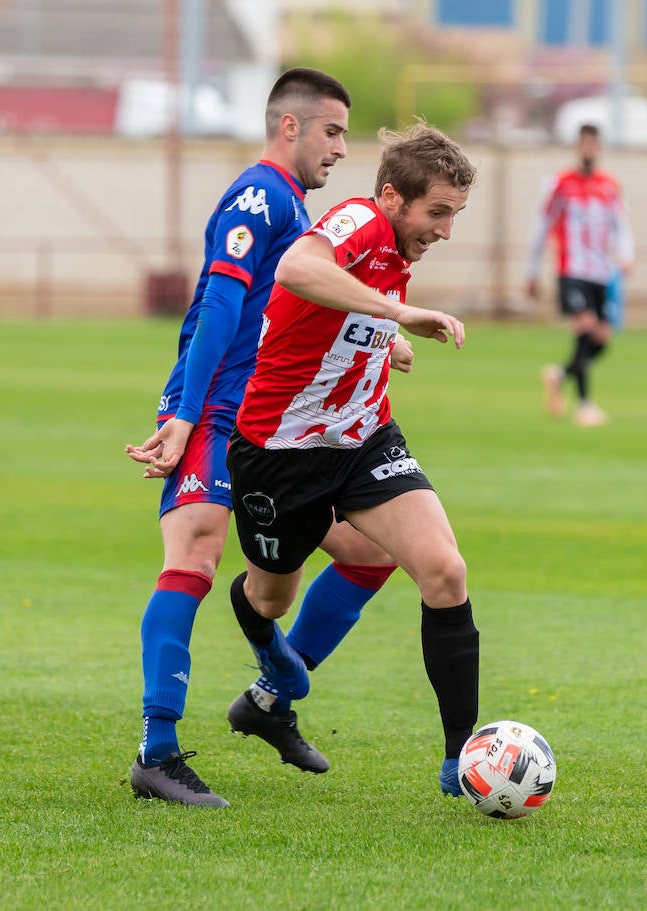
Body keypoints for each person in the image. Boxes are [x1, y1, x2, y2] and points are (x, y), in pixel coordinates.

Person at [124, 68, 409, 808]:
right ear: (291, 126)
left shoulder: (295, 208)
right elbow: (220, 302)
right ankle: (157, 751)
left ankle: (273, 695)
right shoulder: (259, 195)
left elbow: (290, 308)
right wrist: (187, 413)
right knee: (195, 552)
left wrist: (381, 335)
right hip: (218, 410)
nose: (342, 149)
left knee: (373, 551)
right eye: (333, 131)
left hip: (278, 426)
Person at [223, 122, 480, 800]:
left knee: (442, 569)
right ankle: (272, 690)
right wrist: (399, 315)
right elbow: (299, 269)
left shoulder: (395, 248)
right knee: (270, 597)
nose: (446, 230)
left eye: (455, 214)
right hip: (278, 453)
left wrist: (379, 336)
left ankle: (465, 760)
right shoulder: (360, 219)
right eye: (438, 213)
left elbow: (331, 308)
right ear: (393, 197)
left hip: (363, 440)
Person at [526, 122, 634, 427]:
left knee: (601, 340)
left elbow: (621, 226)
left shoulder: (609, 186)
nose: (588, 149)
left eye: (593, 144)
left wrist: (626, 255)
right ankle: (585, 406)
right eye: (584, 143)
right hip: (571, 270)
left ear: (598, 148)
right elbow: (541, 226)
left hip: (601, 272)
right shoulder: (560, 183)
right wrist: (531, 271)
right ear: (578, 147)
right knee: (585, 329)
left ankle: (559, 375)